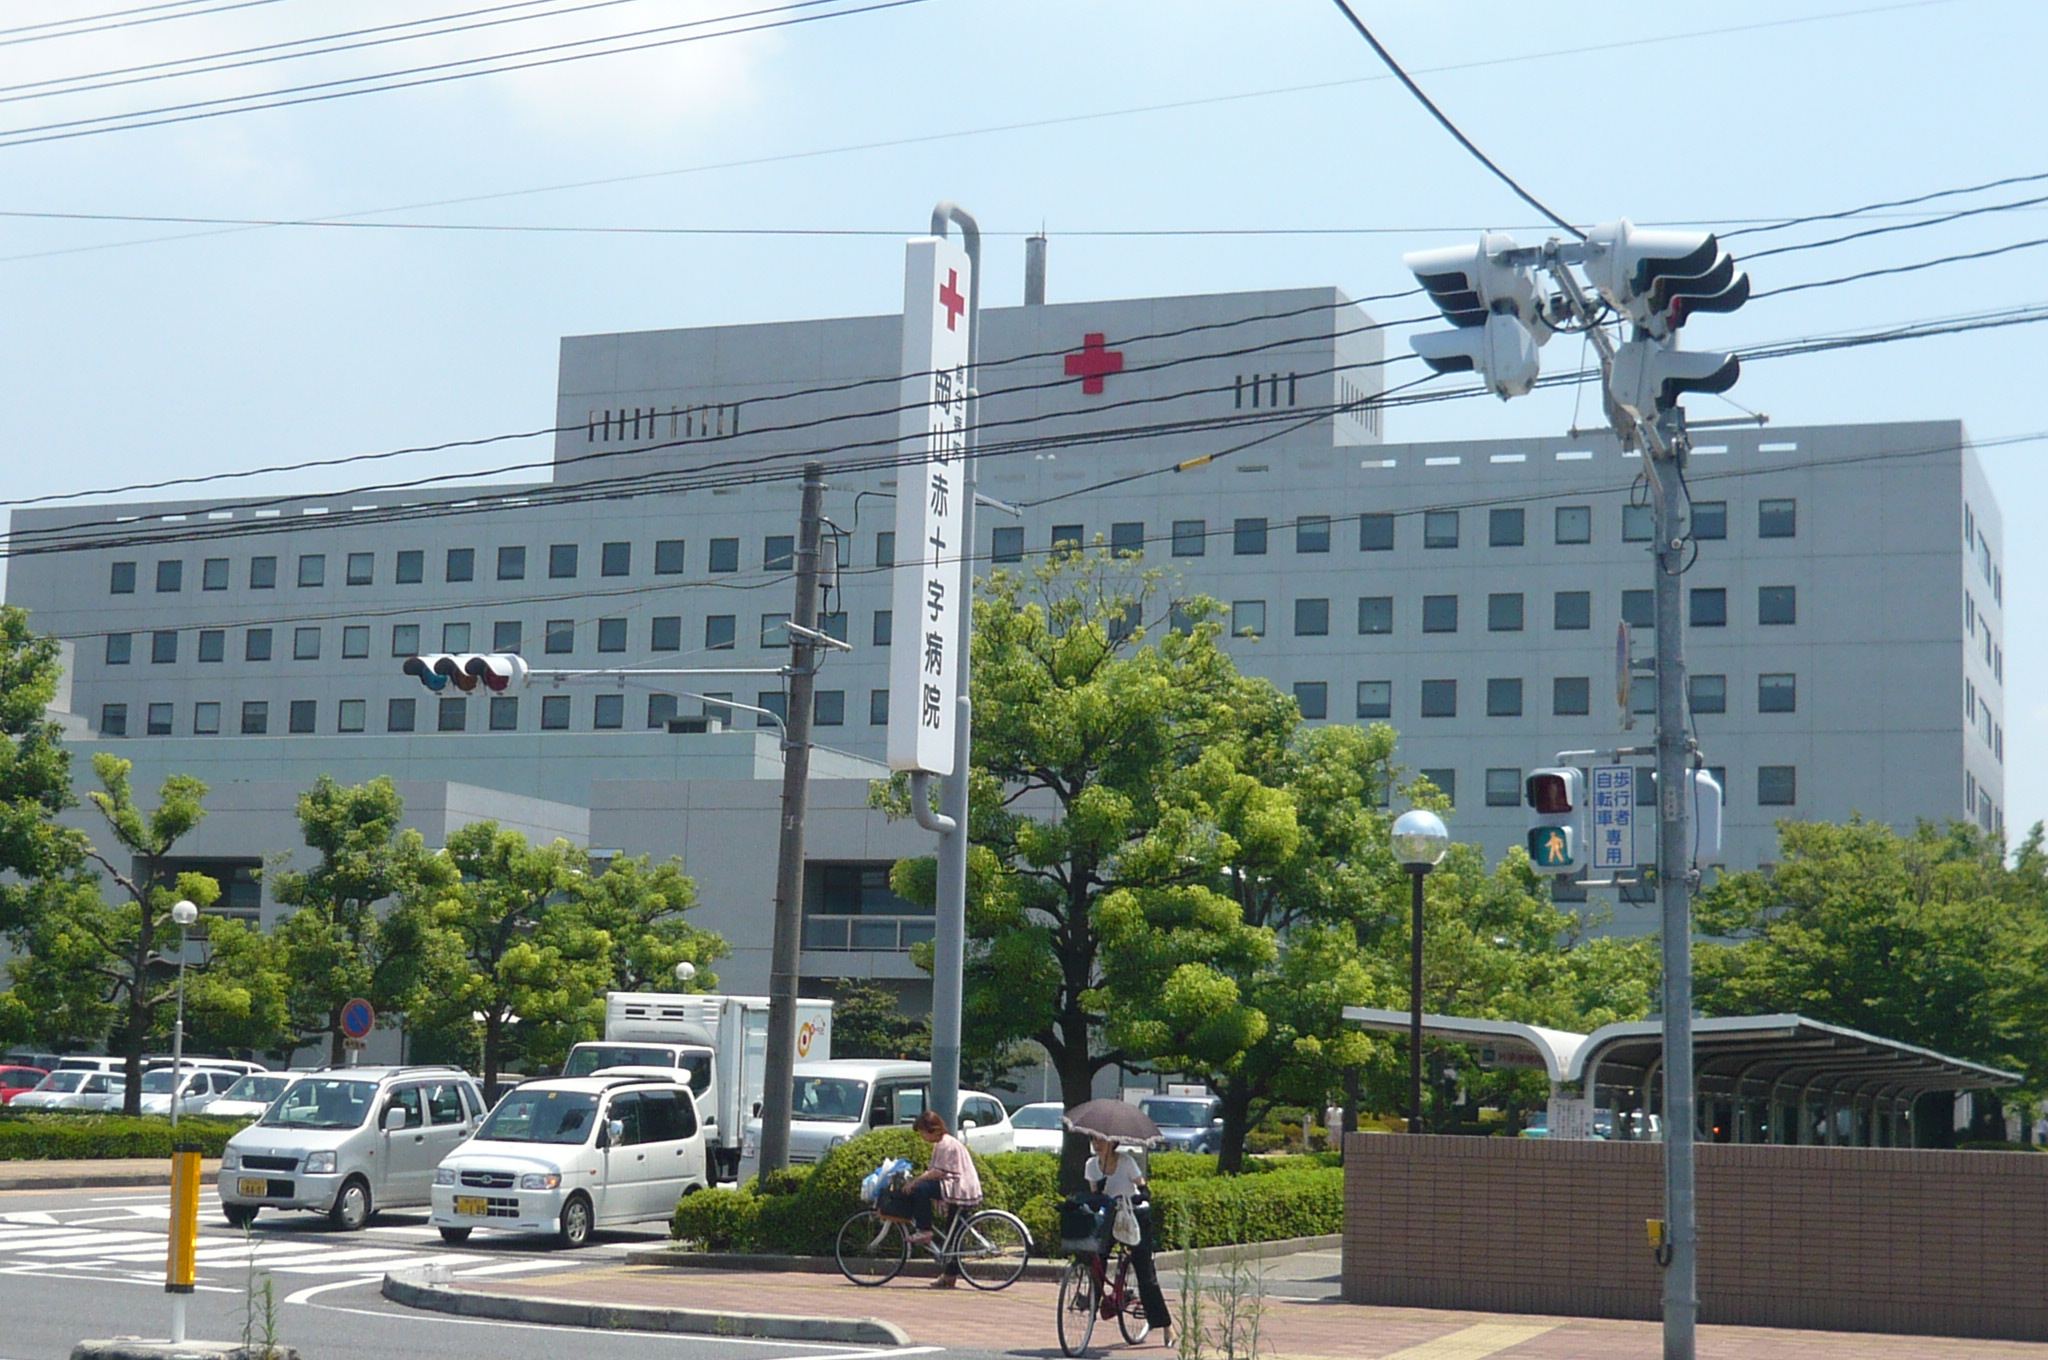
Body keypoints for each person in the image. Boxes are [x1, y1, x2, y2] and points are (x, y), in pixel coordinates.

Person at [1085, 1135, 1172, 1343]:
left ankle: (1166, 1325)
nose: (1097, 1145)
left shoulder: (1126, 1162)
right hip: (1111, 1216)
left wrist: (1142, 1194)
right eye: (1093, 1141)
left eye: (1101, 1141)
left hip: (1134, 1216)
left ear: (1112, 1143)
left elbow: (1141, 1185)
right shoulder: (1091, 1165)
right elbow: (1095, 1194)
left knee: (1145, 1274)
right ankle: (1094, 1302)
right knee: (1097, 1258)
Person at [907, 1109, 981, 1288]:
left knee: (922, 1189)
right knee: (954, 1236)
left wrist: (915, 1181)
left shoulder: (944, 1144)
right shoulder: (946, 1142)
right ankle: (949, 1276)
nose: (923, 1137)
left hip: (959, 1188)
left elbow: (937, 1172)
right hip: (964, 1188)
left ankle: (924, 1229)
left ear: (930, 1129)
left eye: (922, 1133)